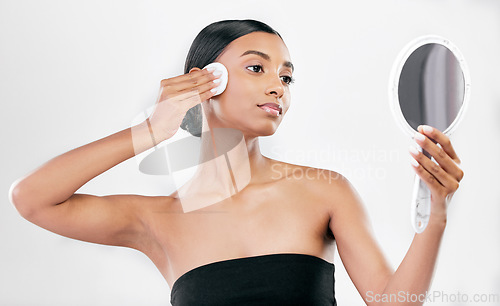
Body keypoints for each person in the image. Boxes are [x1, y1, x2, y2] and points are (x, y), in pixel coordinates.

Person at [9, 19, 464, 305]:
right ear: (204, 81)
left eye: (286, 76)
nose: (278, 87)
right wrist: (149, 131)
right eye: (256, 68)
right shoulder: (157, 220)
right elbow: (32, 199)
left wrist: (436, 216)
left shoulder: (323, 190)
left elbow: (393, 303)